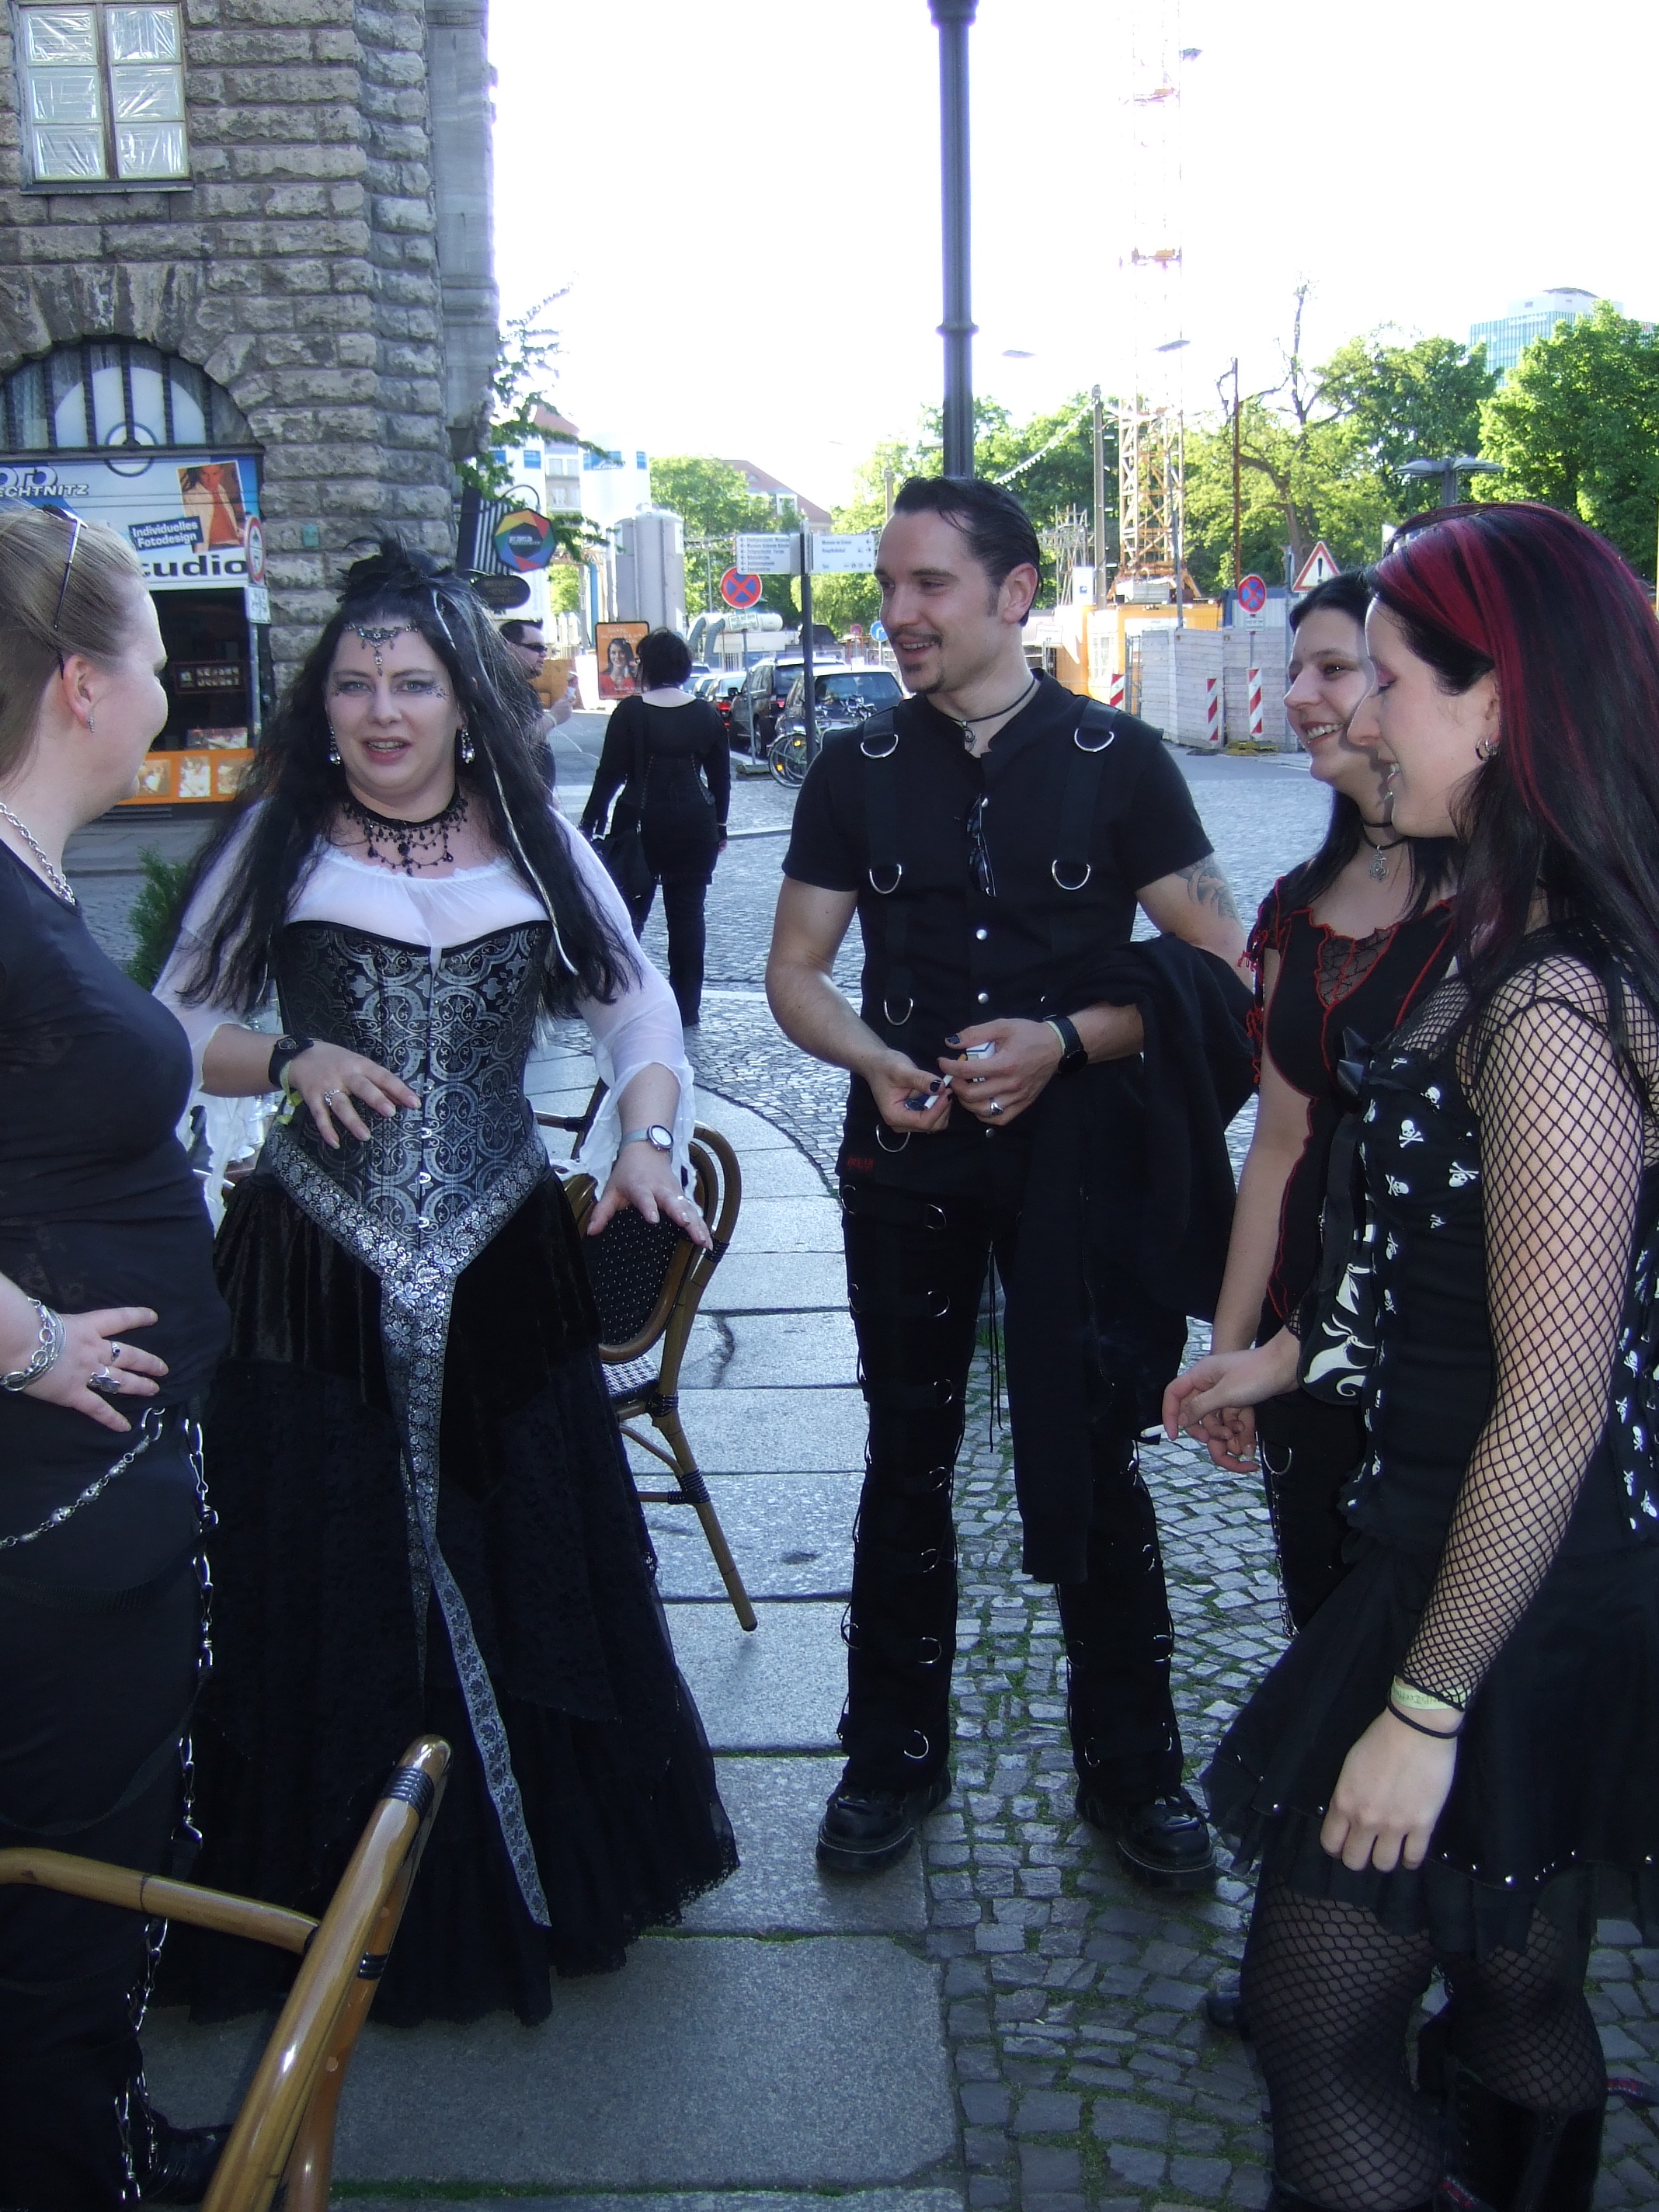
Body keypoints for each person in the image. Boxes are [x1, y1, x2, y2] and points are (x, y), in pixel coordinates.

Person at [155, 540, 736, 2029]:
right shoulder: (280, 841)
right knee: (320, 1562)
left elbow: (637, 1007)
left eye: (411, 683)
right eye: (355, 684)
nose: (381, 711)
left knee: (521, 1554)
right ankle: (308, 1900)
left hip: (498, 1255)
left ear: (466, 702)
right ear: (323, 702)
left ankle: (527, 1882)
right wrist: (290, 1057)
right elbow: (175, 1023)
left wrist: (647, 1138)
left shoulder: (536, 843)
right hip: (315, 1259)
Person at [1167, 501, 1659, 2212]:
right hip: (1477, 1538)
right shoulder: (1508, 940)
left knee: (1316, 2016)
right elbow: (1459, 1259)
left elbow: (1559, 1387)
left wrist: (1423, 1709)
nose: (1357, 718)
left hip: (1498, 1572)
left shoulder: (1549, 997)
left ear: (1500, 702)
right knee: (1515, 1979)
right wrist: (1293, 1353)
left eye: (1385, 681)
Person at [767, 475, 1253, 1886]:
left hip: (1076, 1173)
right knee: (904, 1455)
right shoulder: (853, 768)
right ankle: (890, 1756)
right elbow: (795, 971)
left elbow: (1223, 973)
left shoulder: (1120, 760)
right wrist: (871, 1058)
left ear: (1015, 592)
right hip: (903, 1164)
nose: (899, 612)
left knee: (1095, 1452)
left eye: (928, 584)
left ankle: (1135, 1775)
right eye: (889, 585)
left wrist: (1068, 1041)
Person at [0, 506, 231, 2207]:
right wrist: (26, 1341)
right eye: (157, 651)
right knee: (58, 1882)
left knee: (84, 1864)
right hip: (50, 1503)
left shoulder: (26, 874)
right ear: (85, 682)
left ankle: (99, 2136)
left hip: (92, 1493)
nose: (171, 681)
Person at [1201, 573, 1456, 1630]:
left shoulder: (1510, 913)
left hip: (1442, 1346)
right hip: (1299, 1343)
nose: (1300, 693)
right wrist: (1231, 1348)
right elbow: (1279, 1142)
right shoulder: (1295, 909)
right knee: (1322, 1620)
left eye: (1339, 669)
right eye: (1295, 668)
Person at [581, 627, 730, 1030]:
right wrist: (720, 826)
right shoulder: (706, 714)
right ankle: (687, 1008)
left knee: (628, 918)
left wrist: (591, 819)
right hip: (694, 825)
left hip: (639, 825)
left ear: (646, 666)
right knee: (688, 917)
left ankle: (624, 998)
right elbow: (720, 778)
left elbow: (610, 774)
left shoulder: (630, 713)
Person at [599, 632, 639, 700]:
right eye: (613, 653)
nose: (617, 657)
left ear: (628, 654)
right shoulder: (601, 679)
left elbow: (633, 699)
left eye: (621, 652)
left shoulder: (637, 678)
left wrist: (628, 678)